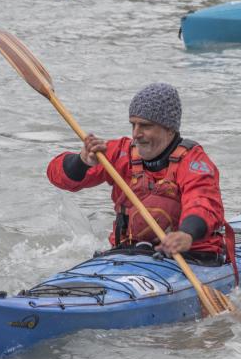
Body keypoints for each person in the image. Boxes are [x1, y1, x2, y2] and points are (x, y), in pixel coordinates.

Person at [47, 82, 228, 264]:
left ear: (169, 128)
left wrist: (187, 234)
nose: (136, 134)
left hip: (188, 258)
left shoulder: (193, 162)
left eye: (145, 126)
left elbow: (204, 203)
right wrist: (82, 161)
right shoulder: (119, 152)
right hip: (127, 256)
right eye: (133, 124)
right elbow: (57, 177)